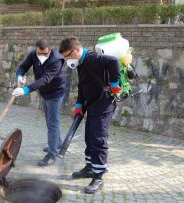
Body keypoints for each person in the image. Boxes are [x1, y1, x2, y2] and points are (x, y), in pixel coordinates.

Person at [59, 37, 121, 194]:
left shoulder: (92, 58)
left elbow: (113, 61)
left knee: (98, 138)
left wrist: (114, 84)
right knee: (89, 136)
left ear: (77, 50)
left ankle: (99, 176)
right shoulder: (81, 63)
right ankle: (89, 168)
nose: (67, 59)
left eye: (68, 55)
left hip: (104, 103)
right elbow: (83, 84)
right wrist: (79, 104)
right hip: (91, 104)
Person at [12, 38, 66, 167]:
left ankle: (52, 155)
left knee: (52, 123)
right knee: (50, 120)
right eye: (39, 53)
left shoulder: (56, 60)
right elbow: (23, 66)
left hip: (55, 93)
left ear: (49, 50)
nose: (42, 56)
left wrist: (26, 90)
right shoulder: (33, 54)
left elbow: (45, 79)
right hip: (45, 93)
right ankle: (57, 143)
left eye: (45, 53)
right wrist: (20, 76)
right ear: (36, 49)